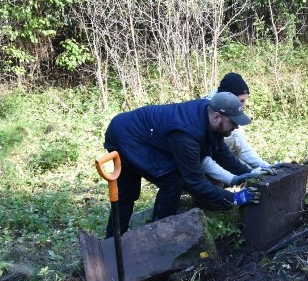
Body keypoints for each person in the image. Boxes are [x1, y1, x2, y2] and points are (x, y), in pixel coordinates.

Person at [103, 91, 260, 237]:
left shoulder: (208, 114)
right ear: (217, 117)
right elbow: (196, 183)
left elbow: (221, 152)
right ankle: (157, 237)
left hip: (137, 131)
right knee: (171, 183)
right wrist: (233, 198)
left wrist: (246, 173)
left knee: (152, 187)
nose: (237, 127)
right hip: (127, 138)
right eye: (233, 122)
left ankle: (116, 242)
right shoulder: (186, 135)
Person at [200, 72, 278, 186]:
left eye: (244, 101)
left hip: (205, 158)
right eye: (241, 101)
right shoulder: (212, 111)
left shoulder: (229, 107)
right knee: (231, 144)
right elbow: (205, 159)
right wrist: (234, 180)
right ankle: (212, 189)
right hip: (190, 162)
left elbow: (242, 147)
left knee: (234, 150)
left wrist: (265, 167)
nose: (243, 106)